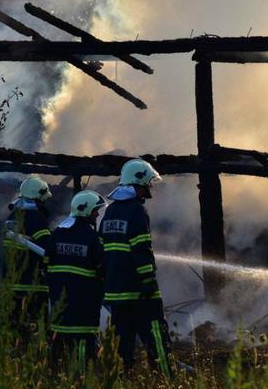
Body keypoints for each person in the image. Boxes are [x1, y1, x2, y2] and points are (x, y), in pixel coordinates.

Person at [99, 159, 171, 375]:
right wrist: (148, 282)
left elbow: (102, 249)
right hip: (139, 290)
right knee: (156, 335)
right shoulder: (137, 211)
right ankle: (165, 377)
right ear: (138, 182)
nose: (149, 188)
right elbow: (141, 249)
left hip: (117, 292)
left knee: (123, 341)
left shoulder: (110, 212)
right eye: (148, 183)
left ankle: (122, 379)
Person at [44, 190, 106, 366]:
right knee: (84, 342)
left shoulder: (57, 235)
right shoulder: (93, 238)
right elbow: (102, 268)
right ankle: (82, 375)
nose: (97, 214)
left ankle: (55, 372)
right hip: (85, 303)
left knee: (58, 339)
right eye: (95, 210)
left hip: (59, 300)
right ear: (86, 211)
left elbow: (46, 262)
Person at [2, 175, 52, 328]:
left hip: (11, 283)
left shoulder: (11, 217)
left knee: (14, 327)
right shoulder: (36, 217)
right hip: (32, 285)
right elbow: (46, 250)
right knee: (36, 328)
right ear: (39, 197)